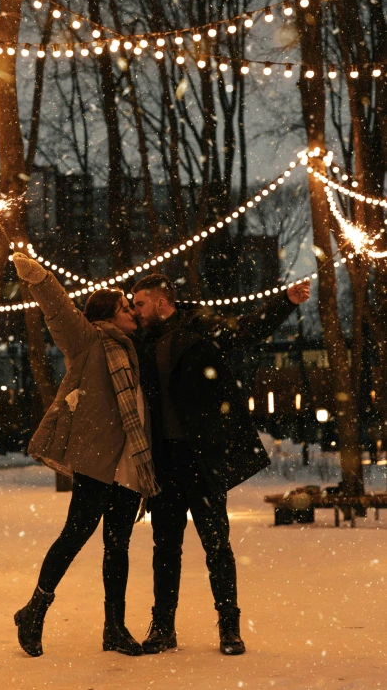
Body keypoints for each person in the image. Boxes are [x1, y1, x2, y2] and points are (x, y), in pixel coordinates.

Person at [131, 274, 310, 656]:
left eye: (141, 304)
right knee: (165, 547)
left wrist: (285, 302)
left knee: (217, 545)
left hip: (201, 457)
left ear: (162, 302)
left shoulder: (201, 328)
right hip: (164, 460)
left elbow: (246, 329)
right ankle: (163, 627)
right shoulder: (141, 342)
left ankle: (229, 627)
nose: (136, 311)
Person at [12, 252, 159, 658]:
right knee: (76, 533)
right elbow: (59, 311)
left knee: (118, 544)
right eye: (126, 308)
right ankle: (34, 610)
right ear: (108, 316)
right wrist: (39, 278)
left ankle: (114, 628)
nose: (132, 312)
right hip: (98, 459)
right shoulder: (89, 341)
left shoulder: (131, 347)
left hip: (130, 462)